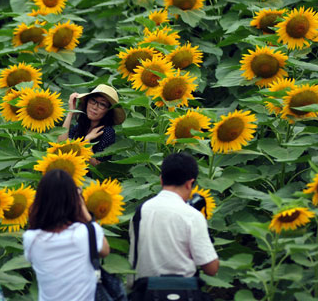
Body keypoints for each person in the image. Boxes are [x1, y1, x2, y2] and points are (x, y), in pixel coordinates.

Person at [23, 169, 110, 301]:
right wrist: (82, 207)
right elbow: (105, 250)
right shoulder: (86, 233)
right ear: (74, 201)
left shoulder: (31, 239)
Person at [129, 152, 219, 280]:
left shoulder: (140, 212)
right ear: (190, 183)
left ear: (161, 180)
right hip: (181, 292)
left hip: (143, 292)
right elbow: (211, 269)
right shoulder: (192, 216)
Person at [57, 84, 126, 166]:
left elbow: (98, 168)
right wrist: (70, 112)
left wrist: (87, 142)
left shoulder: (108, 132)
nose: (95, 107)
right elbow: (61, 145)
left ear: (108, 111)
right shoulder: (81, 126)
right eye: (93, 100)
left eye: (102, 104)